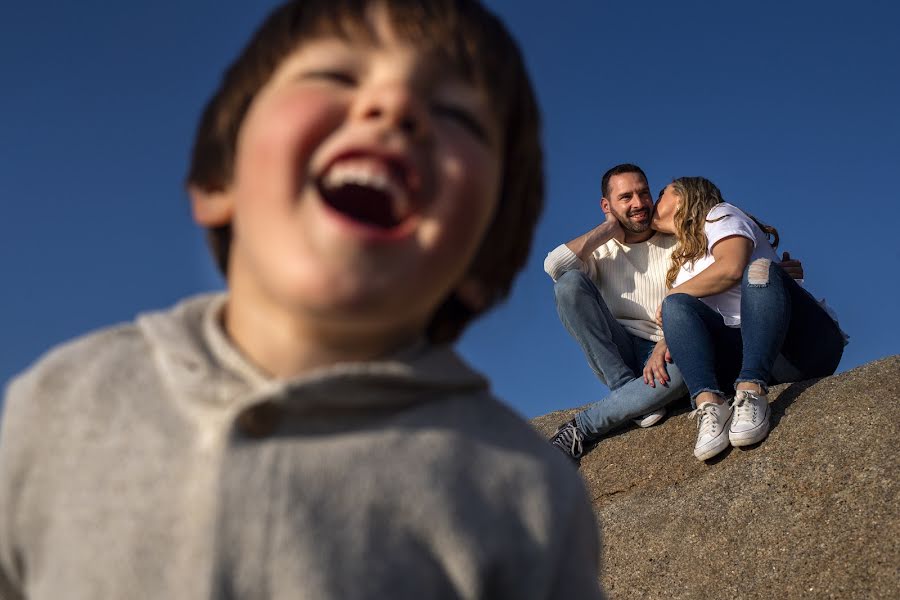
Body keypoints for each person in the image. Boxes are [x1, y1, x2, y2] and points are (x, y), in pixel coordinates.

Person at [0, 2, 605, 598]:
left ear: (485, 257)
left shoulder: (524, 491)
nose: (394, 107)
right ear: (218, 179)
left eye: (457, 116)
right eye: (335, 76)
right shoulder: (61, 397)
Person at [654, 176, 846, 461]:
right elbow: (686, 308)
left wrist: (672, 296)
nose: (655, 202)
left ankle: (752, 390)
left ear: (683, 197)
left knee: (759, 269)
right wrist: (665, 337)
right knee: (676, 304)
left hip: (798, 347)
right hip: (744, 353)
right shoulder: (684, 261)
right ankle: (710, 405)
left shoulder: (720, 215)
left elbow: (731, 267)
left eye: (662, 193)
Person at [544, 164, 688, 462]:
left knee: (691, 363)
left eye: (643, 193)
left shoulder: (677, 238)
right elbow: (554, 267)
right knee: (568, 285)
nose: (638, 204)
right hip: (620, 352)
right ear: (606, 206)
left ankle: (581, 428)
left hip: (670, 350)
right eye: (626, 197)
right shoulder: (600, 250)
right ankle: (628, 390)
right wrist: (608, 230)